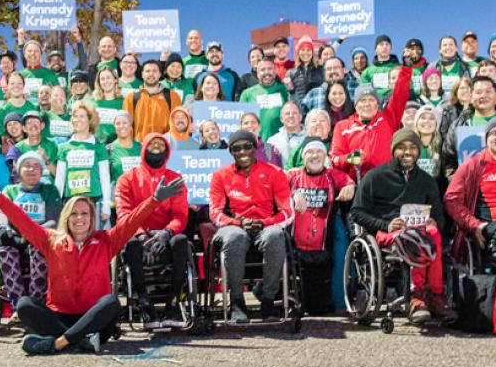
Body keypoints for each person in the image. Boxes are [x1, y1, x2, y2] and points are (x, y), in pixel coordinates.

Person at [0, 167, 184, 355]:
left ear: (92, 218)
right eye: (74, 213)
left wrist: (154, 199)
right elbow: (22, 220)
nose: (79, 218)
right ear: (66, 217)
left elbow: (132, 220)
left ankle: (59, 343)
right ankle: (80, 341)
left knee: (111, 303)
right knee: (25, 305)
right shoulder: (50, 240)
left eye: (84, 213)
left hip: (94, 319)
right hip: (59, 316)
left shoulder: (106, 241)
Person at [350, 129, 454, 324]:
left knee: (431, 232)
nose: (407, 152)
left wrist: (434, 221)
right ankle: (417, 296)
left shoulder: (426, 180)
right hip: (387, 233)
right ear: (393, 151)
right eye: (402, 148)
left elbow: (440, 217)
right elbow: (357, 212)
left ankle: (435, 294)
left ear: (418, 151)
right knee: (416, 236)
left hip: (420, 232)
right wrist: (386, 224)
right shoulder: (374, 177)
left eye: (413, 148)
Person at [444, 117, 496, 333]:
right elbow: (451, 199)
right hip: (492, 227)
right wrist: (474, 225)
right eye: (493, 134)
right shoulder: (475, 164)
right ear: (486, 139)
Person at [210, 129, 293, 322]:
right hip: (235, 225)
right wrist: (238, 223)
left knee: (274, 236)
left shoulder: (275, 172)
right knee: (235, 237)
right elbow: (215, 213)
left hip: (265, 223)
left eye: (247, 146)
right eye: (236, 148)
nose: (242, 152)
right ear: (230, 152)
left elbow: (288, 211)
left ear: (255, 148)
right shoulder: (220, 176)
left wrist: (265, 222)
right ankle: (237, 302)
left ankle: (268, 299)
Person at [117, 134, 190, 329]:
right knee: (131, 244)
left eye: (161, 145)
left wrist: (166, 232)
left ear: (167, 151)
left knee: (181, 241)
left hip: (165, 236)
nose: (156, 148)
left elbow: (181, 215)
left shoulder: (175, 178)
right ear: (144, 149)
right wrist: (141, 234)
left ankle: (172, 304)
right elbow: (124, 213)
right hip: (138, 235)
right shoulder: (127, 178)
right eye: (152, 144)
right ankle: (145, 303)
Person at [287, 137, 355, 314]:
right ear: (303, 156)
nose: (315, 156)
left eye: (319, 152)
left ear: (325, 156)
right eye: (310, 152)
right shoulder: (293, 175)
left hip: (322, 249)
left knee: (318, 309)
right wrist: (293, 195)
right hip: (295, 249)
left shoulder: (333, 176)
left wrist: (350, 187)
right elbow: (277, 187)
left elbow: (347, 181)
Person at [0, 152, 61, 305]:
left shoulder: (50, 190)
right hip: (14, 235)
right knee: (3, 249)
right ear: (18, 169)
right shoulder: (10, 190)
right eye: (27, 166)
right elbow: (1, 213)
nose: (31, 169)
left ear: (42, 170)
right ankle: (17, 303)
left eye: (36, 166)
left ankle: (36, 302)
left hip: (40, 235)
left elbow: (54, 219)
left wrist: (36, 232)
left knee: (41, 250)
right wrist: (3, 228)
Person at [329, 61, 413, 179]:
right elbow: (334, 159)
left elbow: (400, 95)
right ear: (355, 105)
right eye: (362, 100)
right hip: (357, 185)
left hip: (387, 180)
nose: (367, 104)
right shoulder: (343, 127)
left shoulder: (388, 119)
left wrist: (406, 69)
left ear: (377, 104)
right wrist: (349, 158)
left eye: (371, 100)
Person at [442, 76, 496, 178]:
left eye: (488, 91)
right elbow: (448, 161)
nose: (483, 95)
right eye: (478, 92)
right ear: (471, 97)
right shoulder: (459, 126)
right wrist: (460, 184)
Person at [55, 101, 112, 225]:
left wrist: (106, 205)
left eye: (82, 116)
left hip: (93, 201)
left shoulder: (99, 148)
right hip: (71, 202)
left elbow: (105, 178)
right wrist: (56, 206)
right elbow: (59, 179)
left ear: (90, 120)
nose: (77, 119)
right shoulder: (64, 147)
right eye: (75, 116)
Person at [123, 59, 183, 142]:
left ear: (159, 74)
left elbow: (178, 124)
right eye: (147, 71)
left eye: (154, 71)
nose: (151, 74)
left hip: (164, 147)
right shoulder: (131, 98)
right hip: (140, 148)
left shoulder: (172, 96)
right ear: (142, 74)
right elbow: (126, 126)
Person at [240, 58, 289, 142]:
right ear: (258, 74)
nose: (267, 72)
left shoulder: (284, 90)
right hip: (255, 145)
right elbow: (241, 121)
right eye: (263, 70)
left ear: (275, 71)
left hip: (280, 144)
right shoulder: (247, 94)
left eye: (270, 69)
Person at [107, 111, 141, 224]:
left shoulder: (141, 147)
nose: (121, 126)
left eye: (125, 122)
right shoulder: (108, 150)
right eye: (118, 123)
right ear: (114, 127)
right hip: (119, 203)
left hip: (139, 201)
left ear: (130, 125)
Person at [7, 111, 57, 184]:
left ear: (42, 125)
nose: (33, 125)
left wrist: (45, 159)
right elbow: (15, 180)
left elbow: (58, 174)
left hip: (48, 191)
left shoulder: (52, 145)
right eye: (29, 123)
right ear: (24, 128)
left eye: (36, 122)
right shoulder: (16, 149)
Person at [284, 36, 323, 108]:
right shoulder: (291, 73)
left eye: (308, 50)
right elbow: (289, 97)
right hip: (299, 113)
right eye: (302, 50)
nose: (305, 52)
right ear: (298, 52)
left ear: (312, 52)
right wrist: (291, 90)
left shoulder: (320, 70)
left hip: (317, 112)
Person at [91, 66, 125, 144]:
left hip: (118, 146)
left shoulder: (124, 103)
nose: (106, 81)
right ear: (99, 83)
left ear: (115, 79)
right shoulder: (92, 102)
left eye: (108, 78)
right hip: (97, 146)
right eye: (102, 79)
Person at [413, 106, 442, 180]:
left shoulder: (443, 147)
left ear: (436, 124)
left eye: (431, 118)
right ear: (416, 122)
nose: (427, 121)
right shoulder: (408, 146)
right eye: (423, 118)